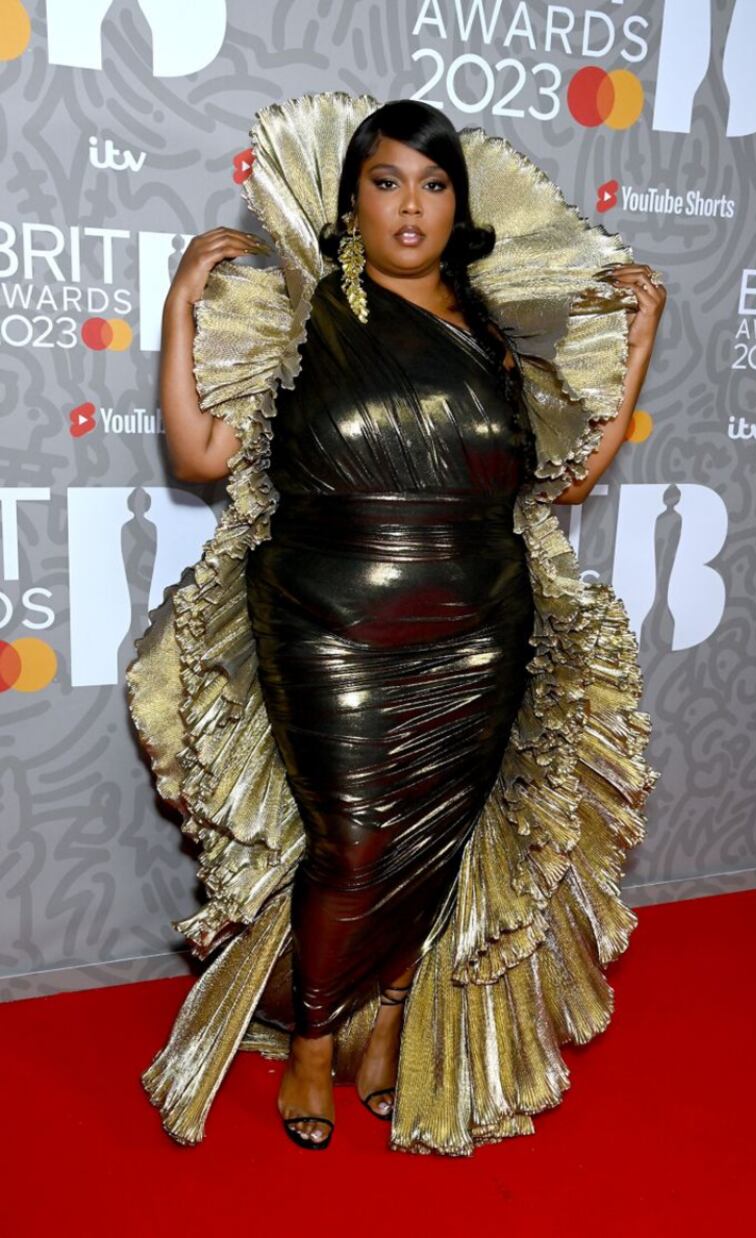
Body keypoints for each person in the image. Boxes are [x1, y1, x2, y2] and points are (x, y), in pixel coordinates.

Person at [127, 90, 665, 1156]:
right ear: (350, 204)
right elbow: (197, 457)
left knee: (439, 842)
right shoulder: (298, 314)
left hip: (479, 621)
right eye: (385, 182)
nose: (410, 206)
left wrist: (636, 338)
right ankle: (313, 1041)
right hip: (328, 620)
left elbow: (562, 482)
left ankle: (387, 1023)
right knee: (355, 839)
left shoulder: (499, 335)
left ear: (458, 205)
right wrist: (184, 302)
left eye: (432, 184)